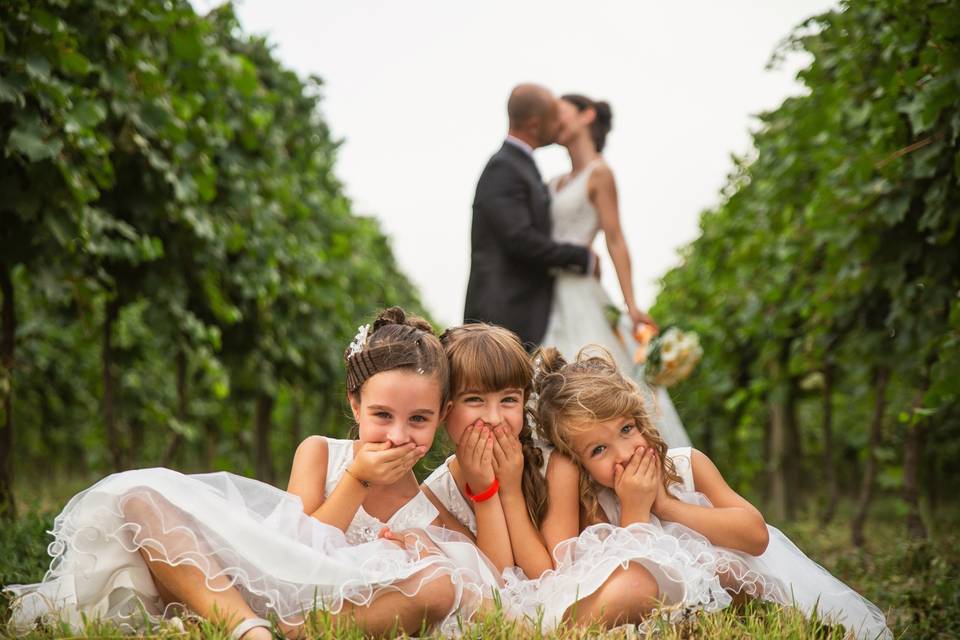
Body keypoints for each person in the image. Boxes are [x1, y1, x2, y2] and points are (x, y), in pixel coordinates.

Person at [7, 307, 497, 638]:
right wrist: (357, 479)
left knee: (439, 584)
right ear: (354, 403)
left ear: (442, 414)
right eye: (381, 416)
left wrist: (421, 543)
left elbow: (485, 589)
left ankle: (288, 630)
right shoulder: (322, 455)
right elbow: (294, 548)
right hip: (265, 578)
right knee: (139, 498)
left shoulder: (432, 505)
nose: (396, 436)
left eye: (419, 420)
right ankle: (248, 627)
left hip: (333, 607)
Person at [519, 346, 892, 639]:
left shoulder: (687, 466)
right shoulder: (593, 504)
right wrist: (634, 509)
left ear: (640, 418)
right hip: (654, 601)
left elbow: (756, 536)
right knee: (659, 586)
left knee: (728, 568)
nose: (623, 452)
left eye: (627, 430)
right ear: (578, 462)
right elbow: (609, 575)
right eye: (598, 450)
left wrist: (664, 506)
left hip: (732, 586)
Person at [421, 323, 722, 630]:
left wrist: (509, 488)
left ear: (524, 400)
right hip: (506, 611)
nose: (495, 418)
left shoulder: (555, 462)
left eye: (509, 400)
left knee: (640, 586)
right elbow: (496, 583)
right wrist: (485, 490)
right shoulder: (435, 495)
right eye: (474, 400)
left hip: (562, 594)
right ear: (444, 408)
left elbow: (545, 572)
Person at [543, 93, 691, 447]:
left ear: (586, 116)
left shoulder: (600, 173)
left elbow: (615, 239)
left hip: (580, 291)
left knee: (598, 375)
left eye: (561, 112)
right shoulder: (554, 183)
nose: (554, 120)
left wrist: (631, 304)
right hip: (546, 294)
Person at [464, 84, 596, 349]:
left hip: (524, 314)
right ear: (535, 125)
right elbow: (519, 239)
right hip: (500, 319)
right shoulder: (504, 167)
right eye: (553, 118)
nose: (559, 124)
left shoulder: (520, 165)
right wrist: (581, 257)